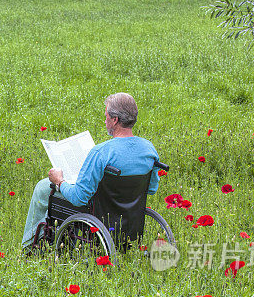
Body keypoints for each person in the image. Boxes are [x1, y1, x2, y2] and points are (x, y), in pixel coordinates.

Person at [21, 92, 160, 251]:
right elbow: (151, 188)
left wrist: (59, 181)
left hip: (100, 211)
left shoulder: (101, 152)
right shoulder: (149, 149)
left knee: (43, 187)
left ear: (114, 120)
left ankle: (28, 247)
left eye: (106, 116)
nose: (105, 120)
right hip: (130, 211)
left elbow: (79, 198)